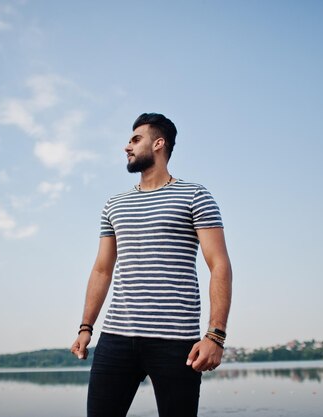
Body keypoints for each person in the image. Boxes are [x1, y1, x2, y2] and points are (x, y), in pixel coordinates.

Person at [71, 112, 233, 417]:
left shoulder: (195, 196)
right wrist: (85, 327)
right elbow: (102, 269)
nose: (126, 147)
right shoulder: (114, 205)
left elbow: (219, 265)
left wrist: (215, 335)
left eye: (135, 139)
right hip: (116, 339)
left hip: (177, 343)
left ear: (159, 144)